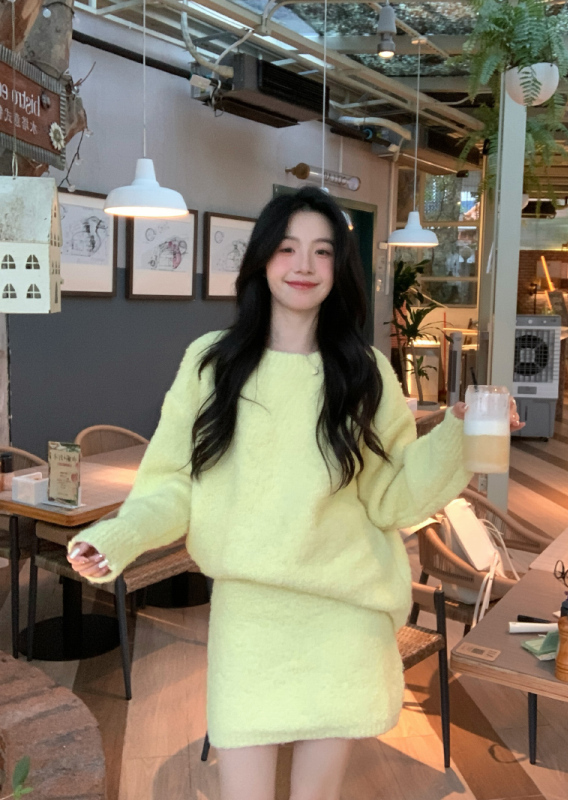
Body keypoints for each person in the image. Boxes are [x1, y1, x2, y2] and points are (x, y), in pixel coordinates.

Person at [67, 187, 523, 800]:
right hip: (250, 618)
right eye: (287, 248)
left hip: (345, 618)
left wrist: (456, 437)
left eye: (322, 251)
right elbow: (173, 483)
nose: (304, 265)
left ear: (339, 267)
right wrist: (118, 536)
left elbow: (392, 498)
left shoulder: (364, 371)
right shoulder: (212, 364)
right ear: (262, 259)